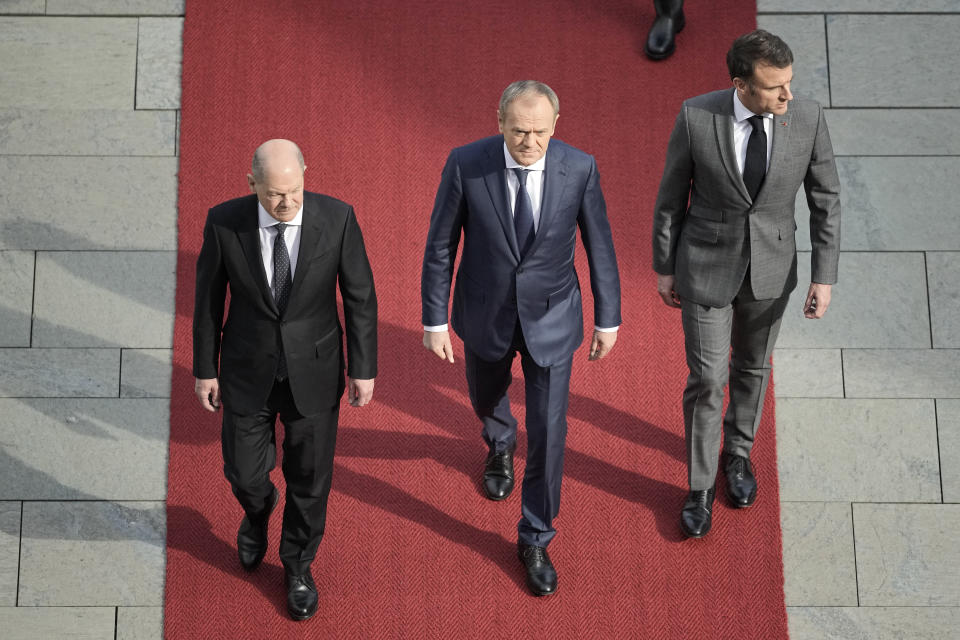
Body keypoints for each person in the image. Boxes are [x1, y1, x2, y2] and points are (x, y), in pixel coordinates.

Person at [420, 81, 621, 596]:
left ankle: (535, 535)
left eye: (538, 131)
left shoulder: (579, 167)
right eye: (518, 131)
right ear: (499, 121)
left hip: (552, 319)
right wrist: (434, 320)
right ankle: (499, 442)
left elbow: (599, 242)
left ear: (555, 126)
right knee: (487, 398)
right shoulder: (467, 163)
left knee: (551, 433)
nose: (528, 142)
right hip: (484, 313)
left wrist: (608, 318)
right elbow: (441, 243)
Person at [651, 30, 840, 538]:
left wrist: (824, 275)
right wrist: (664, 267)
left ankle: (738, 454)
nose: (788, 96)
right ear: (740, 85)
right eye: (775, 87)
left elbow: (827, 200)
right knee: (709, 379)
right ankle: (700, 485)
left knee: (752, 367)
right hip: (705, 268)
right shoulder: (696, 117)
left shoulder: (807, 117)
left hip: (773, 270)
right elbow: (670, 198)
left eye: (790, 83)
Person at [193, 139, 377, 621]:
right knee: (244, 473)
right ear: (251, 184)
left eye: (294, 190)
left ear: (304, 175)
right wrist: (205, 369)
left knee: (311, 481)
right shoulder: (224, 221)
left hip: (314, 373)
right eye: (275, 194)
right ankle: (258, 513)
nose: (286, 203)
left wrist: (363, 368)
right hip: (245, 370)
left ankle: (297, 565)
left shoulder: (337, 218)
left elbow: (360, 298)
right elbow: (208, 303)